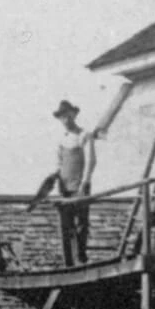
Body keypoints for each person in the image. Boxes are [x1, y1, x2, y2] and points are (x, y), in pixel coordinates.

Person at [48, 100, 97, 264]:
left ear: (74, 115)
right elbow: (58, 163)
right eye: (62, 117)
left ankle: (81, 256)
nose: (66, 120)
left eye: (68, 116)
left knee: (81, 223)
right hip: (64, 187)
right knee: (66, 225)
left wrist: (85, 182)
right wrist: (56, 184)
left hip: (80, 185)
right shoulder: (61, 139)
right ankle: (69, 261)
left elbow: (91, 160)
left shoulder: (84, 135)